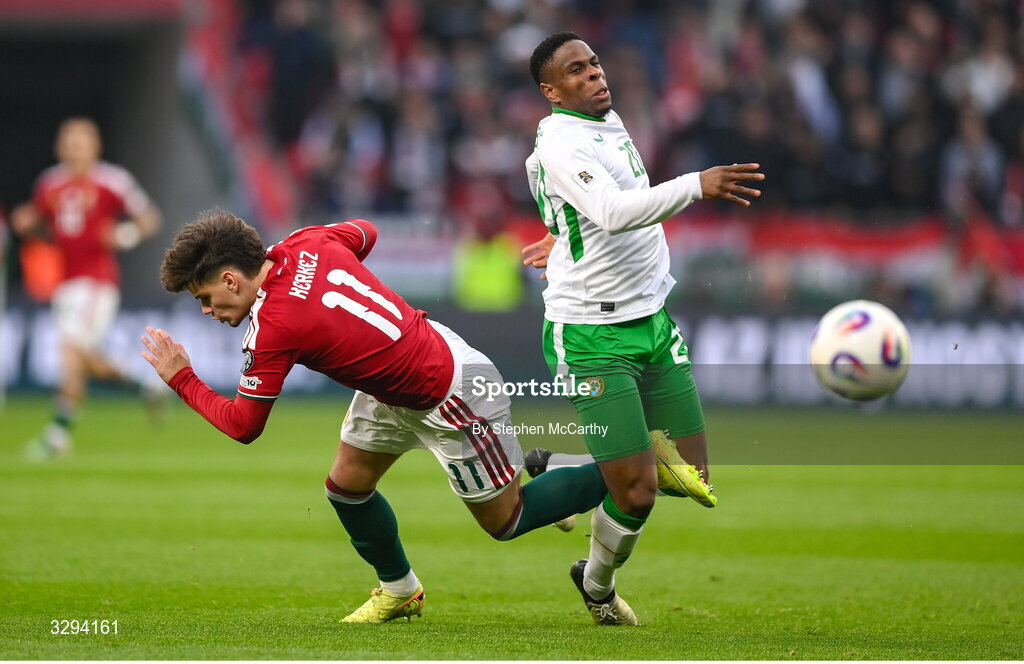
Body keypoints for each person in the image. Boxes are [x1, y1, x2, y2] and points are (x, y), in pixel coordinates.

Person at [140, 209, 609, 623]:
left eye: (204, 298)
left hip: (447, 391)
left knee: (506, 520)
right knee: (346, 487)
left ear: (230, 279)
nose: (206, 311)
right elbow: (364, 232)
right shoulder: (305, 241)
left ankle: (626, 467)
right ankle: (400, 590)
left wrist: (182, 378)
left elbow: (244, 426)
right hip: (391, 383)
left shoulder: (274, 328)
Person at [522, 32, 765, 625]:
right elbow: (608, 209)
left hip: (652, 320)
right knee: (637, 491)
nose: (595, 75)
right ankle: (597, 585)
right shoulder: (561, 138)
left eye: (595, 63)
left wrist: (563, 231)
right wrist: (695, 183)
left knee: (692, 475)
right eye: (577, 72)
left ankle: (558, 465)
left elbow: (602, 202)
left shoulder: (604, 119)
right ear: (552, 91)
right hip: (591, 334)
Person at [11, 117, 162, 459]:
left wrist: (122, 236)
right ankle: (146, 386)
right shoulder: (48, 184)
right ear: (59, 147)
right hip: (65, 284)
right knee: (83, 361)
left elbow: (149, 218)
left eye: (81, 141)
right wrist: (29, 226)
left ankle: (57, 436)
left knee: (70, 352)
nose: (74, 148)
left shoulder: (112, 181)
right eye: (69, 141)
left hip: (97, 282)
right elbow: (48, 232)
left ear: (96, 146)